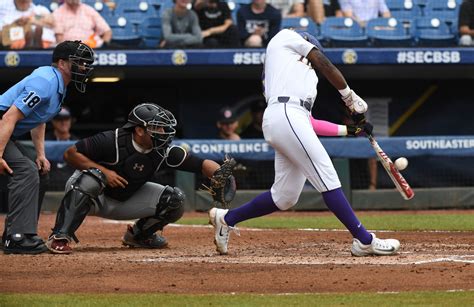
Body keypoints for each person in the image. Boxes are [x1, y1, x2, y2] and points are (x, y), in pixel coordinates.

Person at [208, 29, 400, 257]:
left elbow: (309, 122)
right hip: (284, 114)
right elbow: (322, 62)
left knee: (285, 197)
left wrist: (350, 129)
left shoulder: (302, 77)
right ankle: (364, 240)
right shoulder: (285, 37)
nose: (311, 55)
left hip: (290, 119)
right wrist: (349, 96)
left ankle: (226, 218)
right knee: (327, 175)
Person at [46, 103, 232, 254]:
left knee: (176, 200)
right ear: (139, 130)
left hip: (126, 200)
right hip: (93, 195)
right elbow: (70, 154)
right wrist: (105, 172)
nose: (162, 131)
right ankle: (60, 236)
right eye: (156, 127)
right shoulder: (111, 140)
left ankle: (138, 236)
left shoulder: (164, 151)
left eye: (162, 126)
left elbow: (200, 164)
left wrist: (222, 175)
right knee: (94, 177)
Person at [0, 40, 95, 254]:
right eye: (79, 63)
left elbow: (38, 119)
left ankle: (17, 233)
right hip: (2, 122)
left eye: (85, 64)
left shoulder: (57, 83)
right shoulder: (45, 81)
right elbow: (9, 116)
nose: (84, 68)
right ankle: (17, 238)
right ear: (62, 63)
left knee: (38, 170)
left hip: (5, 127)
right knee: (25, 171)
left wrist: (41, 154)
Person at [45, 106, 79, 191]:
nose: (63, 122)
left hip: (72, 188)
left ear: (71, 120)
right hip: (49, 188)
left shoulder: (78, 142)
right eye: (59, 119)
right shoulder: (43, 142)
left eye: (66, 119)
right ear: (53, 121)